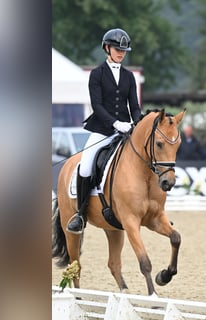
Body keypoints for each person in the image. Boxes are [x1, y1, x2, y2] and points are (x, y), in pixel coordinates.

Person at [67, 28, 141, 234]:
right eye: (117, 49)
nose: (121, 53)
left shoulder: (128, 76)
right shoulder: (97, 74)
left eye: (124, 50)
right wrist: (115, 123)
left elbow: (134, 105)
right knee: (86, 165)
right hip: (102, 129)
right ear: (107, 48)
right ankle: (81, 214)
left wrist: (137, 123)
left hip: (126, 129)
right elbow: (97, 105)